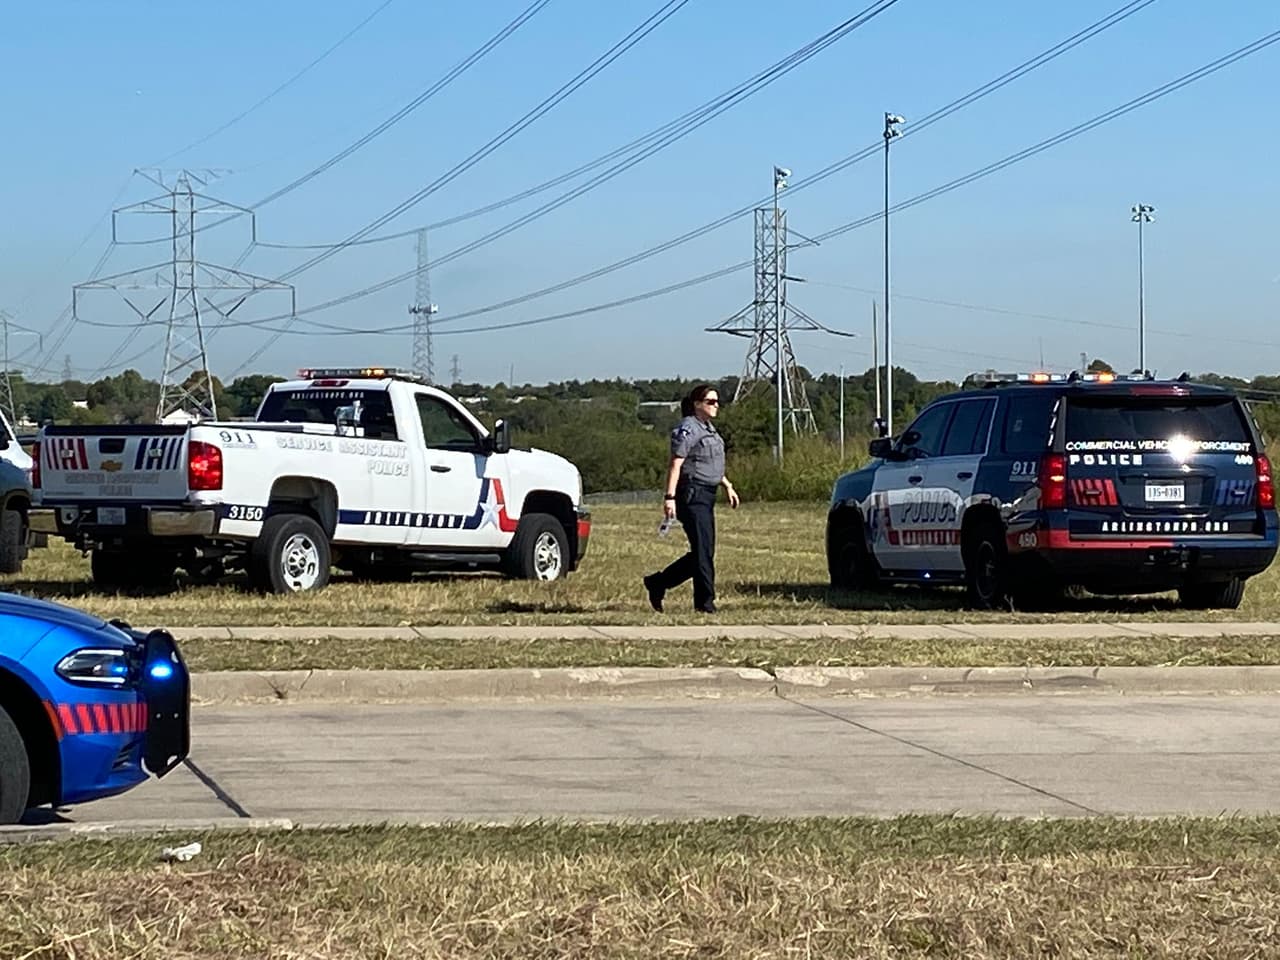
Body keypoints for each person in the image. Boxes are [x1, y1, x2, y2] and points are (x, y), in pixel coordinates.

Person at [643, 384, 740, 613]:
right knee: (703, 551)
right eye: (711, 402)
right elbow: (676, 463)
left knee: (703, 552)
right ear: (697, 404)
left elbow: (711, 463)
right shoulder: (689, 428)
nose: (716, 406)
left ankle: (658, 583)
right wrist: (669, 497)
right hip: (692, 493)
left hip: (708, 493)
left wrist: (727, 486)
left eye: (717, 402)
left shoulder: (709, 429)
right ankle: (706, 604)